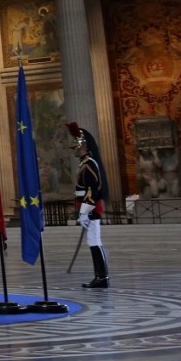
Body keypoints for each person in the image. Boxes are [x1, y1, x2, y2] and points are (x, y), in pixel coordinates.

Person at [68, 121, 112, 289]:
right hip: (87, 206)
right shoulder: (85, 163)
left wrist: (85, 211)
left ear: (84, 146)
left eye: (77, 146)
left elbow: (92, 189)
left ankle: (102, 276)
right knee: (93, 241)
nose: (75, 149)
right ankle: (100, 276)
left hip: (91, 207)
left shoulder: (90, 164)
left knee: (94, 240)